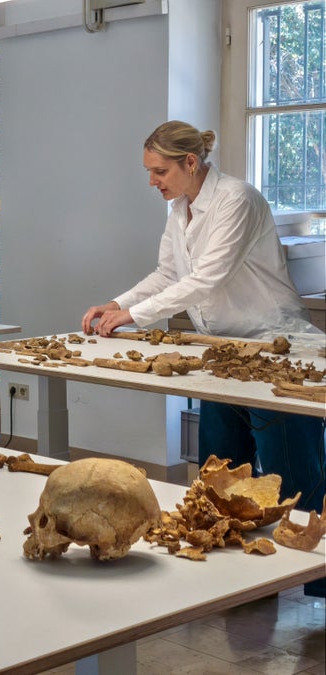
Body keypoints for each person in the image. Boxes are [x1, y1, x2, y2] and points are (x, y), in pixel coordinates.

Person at [81, 121, 325, 594]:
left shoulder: (237, 199)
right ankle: (241, 581)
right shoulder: (179, 207)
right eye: (150, 171)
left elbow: (207, 278)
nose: (153, 181)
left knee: (291, 473)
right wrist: (118, 304)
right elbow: (168, 273)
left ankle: (316, 582)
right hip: (223, 356)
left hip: (273, 350)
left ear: (190, 163)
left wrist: (134, 315)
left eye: (160, 171)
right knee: (221, 472)